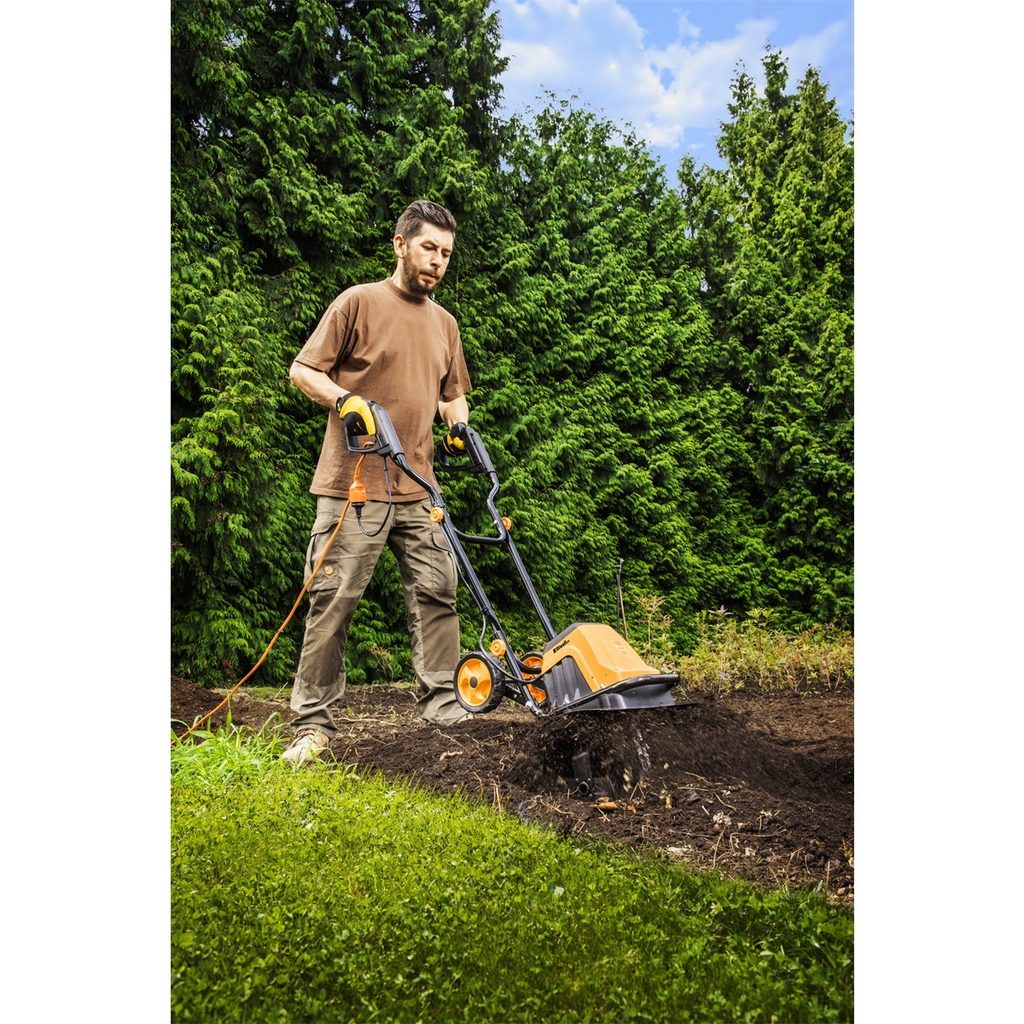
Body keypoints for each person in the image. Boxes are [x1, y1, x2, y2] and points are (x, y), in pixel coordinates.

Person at [281, 199, 472, 764]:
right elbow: (303, 370)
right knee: (333, 599)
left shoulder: (445, 324)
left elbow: (453, 393)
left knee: (438, 592)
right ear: (400, 244)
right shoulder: (358, 302)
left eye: (446, 253)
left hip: (419, 486)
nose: (437, 261)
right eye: (429, 248)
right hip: (354, 487)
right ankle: (313, 726)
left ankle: (444, 707)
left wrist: (457, 425)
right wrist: (346, 399)